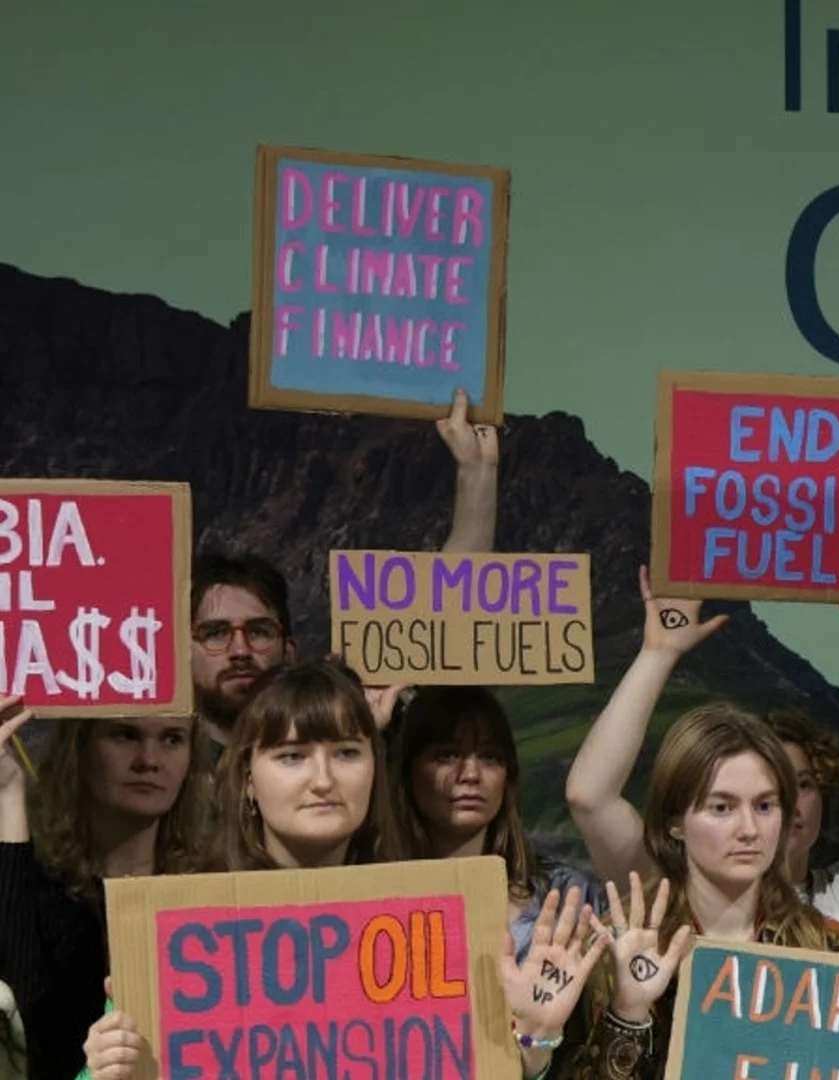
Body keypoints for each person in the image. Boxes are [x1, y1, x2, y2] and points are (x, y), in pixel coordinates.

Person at [79, 660, 600, 1080]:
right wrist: (104, 1072)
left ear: (375, 767)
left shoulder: (437, 918)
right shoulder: (178, 925)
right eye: (291, 756)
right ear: (248, 779)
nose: (323, 780)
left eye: (347, 752)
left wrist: (532, 1046)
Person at [567, 567, 839, 959]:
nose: (773, 810)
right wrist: (657, 653)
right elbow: (590, 795)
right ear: (681, 821)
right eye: (725, 804)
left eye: (792, 789)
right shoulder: (669, 892)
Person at [565, 703, 839, 1078]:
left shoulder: (832, 951)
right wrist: (628, 1013)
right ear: (675, 822)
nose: (749, 829)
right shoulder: (616, 950)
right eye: (722, 807)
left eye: (764, 805)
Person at [191, 390, 501, 745]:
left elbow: (447, 599)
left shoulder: (343, 740)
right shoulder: (159, 763)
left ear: (289, 649)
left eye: (259, 631)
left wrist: (476, 474)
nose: (240, 650)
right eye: (215, 633)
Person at [0, 697, 213, 1080]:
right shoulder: (39, 889)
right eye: (125, 735)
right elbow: (29, 1033)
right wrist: (8, 792)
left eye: (172, 739)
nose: (149, 759)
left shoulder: (210, 889)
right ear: (79, 746)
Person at [389, 686, 599, 958]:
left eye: (490, 757)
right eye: (447, 755)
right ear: (408, 771)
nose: (471, 774)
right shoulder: (366, 895)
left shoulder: (564, 895)